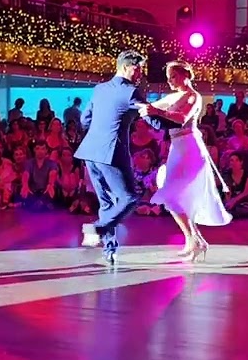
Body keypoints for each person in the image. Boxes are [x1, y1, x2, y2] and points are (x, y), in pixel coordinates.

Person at [74, 51, 168, 265]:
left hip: (90, 152)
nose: (141, 73)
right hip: (111, 152)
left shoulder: (99, 89)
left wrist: (97, 133)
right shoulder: (131, 91)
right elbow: (152, 119)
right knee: (129, 198)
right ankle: (97, 229)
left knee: (106, 203)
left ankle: (110, 250)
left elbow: (85, 119)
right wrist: (173, 124)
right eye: (138, 68)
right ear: (126, 67)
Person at [140, 60, 232, 261]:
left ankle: (195, 241)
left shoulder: (193, 96)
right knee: (173, 198)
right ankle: (195, 240)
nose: (170, 81)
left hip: (189, 147)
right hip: (177, 147)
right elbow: (150, 107)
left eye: (173, 76)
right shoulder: (174, 96)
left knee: (174, 196)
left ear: (185, 75)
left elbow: (182, 118)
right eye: (169, 78)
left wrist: (158, 112)